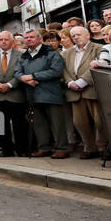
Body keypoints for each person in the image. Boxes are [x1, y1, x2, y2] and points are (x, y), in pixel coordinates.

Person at [19, 29, 70, 158]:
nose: (28, 39)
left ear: (40, 39)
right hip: (32, 93)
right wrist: (24, 78)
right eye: (27, 37)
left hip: (51, 93)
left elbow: (56, 71)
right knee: (39, 123)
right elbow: (17, 71)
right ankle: (44, 147)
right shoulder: (24, 55)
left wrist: (33, 76)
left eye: (32, 37)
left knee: (57, 123)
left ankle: (61, 148)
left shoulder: (51, 53)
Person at [0, 32, 29, 156]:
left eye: (6, 39)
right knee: (0, 124)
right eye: (1, 39)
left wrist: (9, 85)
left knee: (19, 123)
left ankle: (22, 149)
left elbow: (23, 72)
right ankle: (6, 149)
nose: (3, 42)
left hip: (15, 94)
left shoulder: (21, 55)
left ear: (12, 42)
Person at [63, 25, 105, 159]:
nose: (76, 37)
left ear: (88, 35)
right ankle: (89, 148)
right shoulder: (67, 52)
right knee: (80, 122)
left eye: (78, 34)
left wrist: (82, 81)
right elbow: (63, 70)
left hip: (92, 89)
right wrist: (70, 82)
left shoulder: (99, 48)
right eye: (73, 35)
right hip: (74, 92)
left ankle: (103, 147)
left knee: (99, 121)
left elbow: (99, 65)